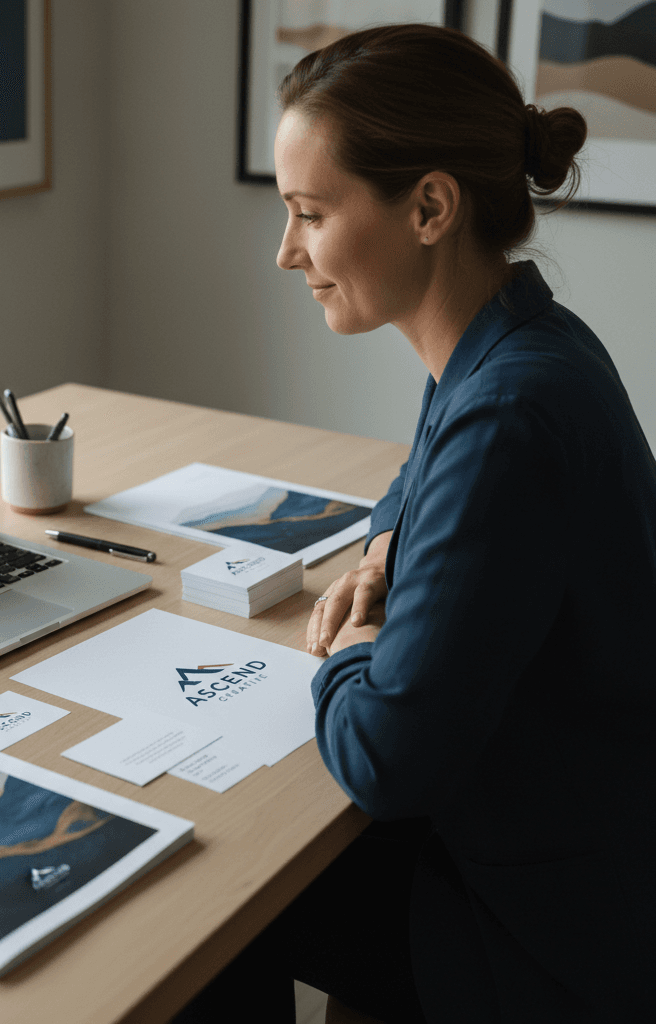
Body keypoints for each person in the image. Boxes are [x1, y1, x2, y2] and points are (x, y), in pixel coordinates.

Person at [173, 24, 655, 1024]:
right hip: (569, 831)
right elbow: (414, 470)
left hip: (542, 927)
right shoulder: (518, 340)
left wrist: (347, 653)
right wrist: (388, 543)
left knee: (203, 918)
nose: (284, 250)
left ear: (429, 206)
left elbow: (388, 757)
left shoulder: (509, 413)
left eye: (309, 212)